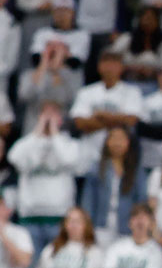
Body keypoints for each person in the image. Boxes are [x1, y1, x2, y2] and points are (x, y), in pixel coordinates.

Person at [9, 103, 82, 259]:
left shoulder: (69, 144)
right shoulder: (29, 142)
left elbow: (69, 159)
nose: (48, 119)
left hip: (60, 217)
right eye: (45, 115)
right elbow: (14, 158)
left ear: (60, 119)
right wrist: (38, 132)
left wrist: (55, 133)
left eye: (53, 115)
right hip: (30, 217)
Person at [70, 49, 144, 167]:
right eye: (106, 62)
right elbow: (80, 123)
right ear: (99, 66)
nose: (109, 67)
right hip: (90, 155)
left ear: (121, 67)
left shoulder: (132, 92)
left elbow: (131, 120)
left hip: (120, 158)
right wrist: (117, 120)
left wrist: (102, 116)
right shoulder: (86, 92)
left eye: (114, 63)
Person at [80, 127, 147, 247]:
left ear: (128, 142)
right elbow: (88, 200)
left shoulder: (136, 170)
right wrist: (88, 226)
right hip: (101, 225)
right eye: (113, 138)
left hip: (127, 226)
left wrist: (138, 225)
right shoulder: (96, 168)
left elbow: (141, 200)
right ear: (107, 142)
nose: (117, 143)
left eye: (121, 139)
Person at [35, 208, 102, 268]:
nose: (73, 225)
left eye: (78, 221)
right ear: (65, 225)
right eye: (70, 221)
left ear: (86, 225)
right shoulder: (51, 248)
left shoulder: (94, 252)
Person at [0, 195, 32, 268]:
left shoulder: (19, 232)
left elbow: (25, 261)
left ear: (8, 210)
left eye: (1, 206)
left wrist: (3, 235)